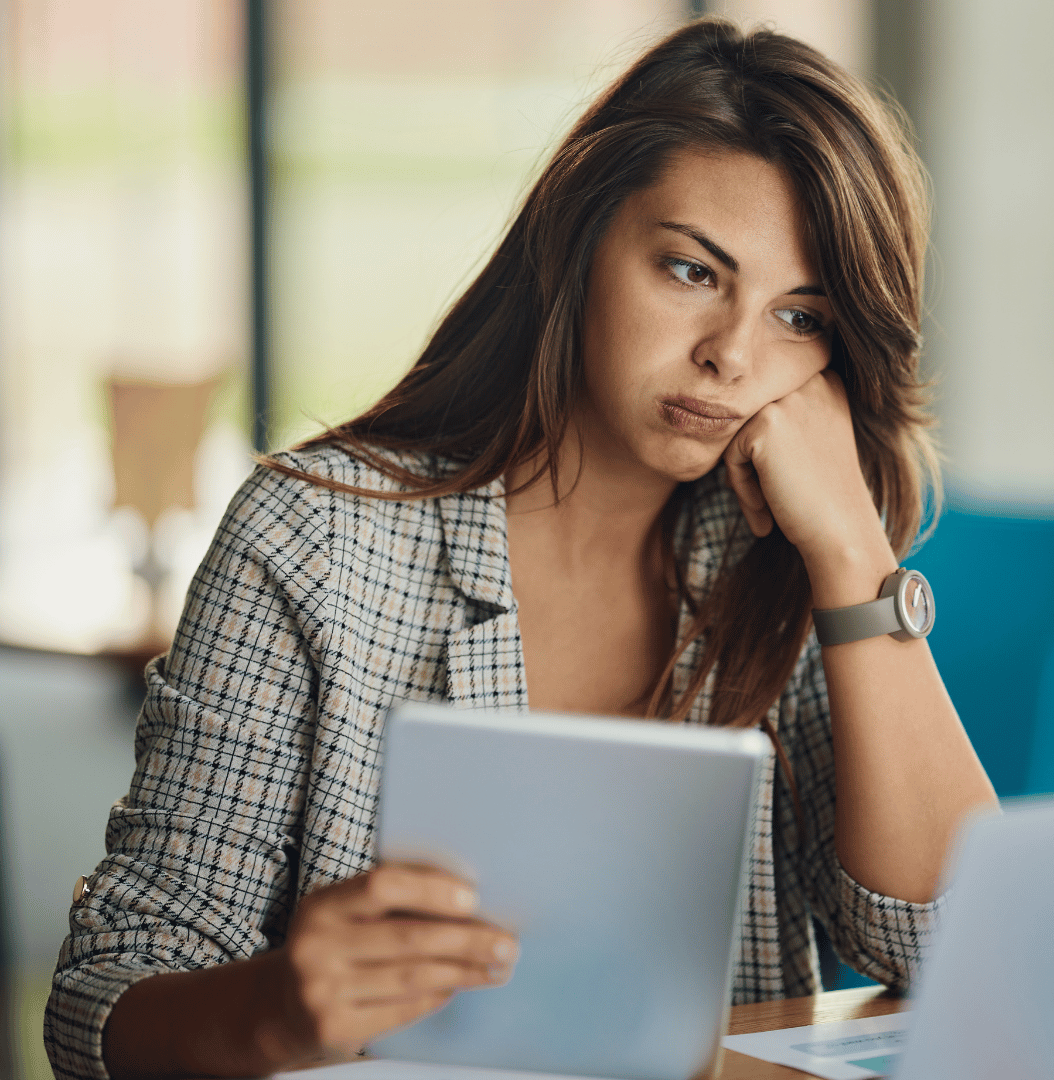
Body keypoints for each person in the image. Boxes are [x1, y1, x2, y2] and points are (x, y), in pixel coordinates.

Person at [47, 19, 998, 1080]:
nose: (732, 354)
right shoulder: (314, 539)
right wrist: (282, 1010)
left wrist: (854, 557)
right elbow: (100, 1004)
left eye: (798, 316)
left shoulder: (784, 555)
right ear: (580, 239)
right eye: (691, 271)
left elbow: (963, 948)